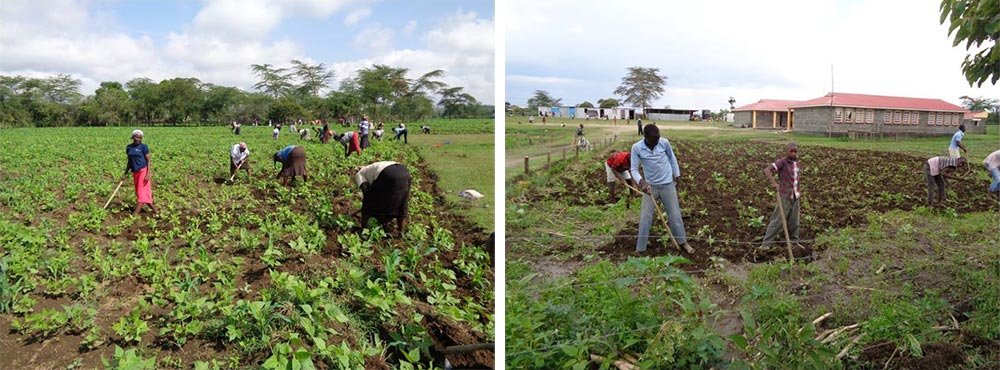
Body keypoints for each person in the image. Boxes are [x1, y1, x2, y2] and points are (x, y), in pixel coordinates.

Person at [630, 124, 692, 253]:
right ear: (645, 137)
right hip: (650, 187)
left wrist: (677, 175)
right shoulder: (637, 148)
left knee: (675, 215)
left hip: (667, 185)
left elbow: (672, 159)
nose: (657, 141)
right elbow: (634, 169)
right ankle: (640, 248)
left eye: (658, 138)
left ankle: (683, 242)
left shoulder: (664, 143)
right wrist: (642, 182)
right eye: (654, 139)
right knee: (645, 217)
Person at [761, 143, 802, 250]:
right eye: (791, 151)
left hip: (795, 195)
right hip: (785, 195)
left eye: (795, 152)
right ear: (787, 152)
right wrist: (774, 183)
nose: (793, 153)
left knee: (794, 220)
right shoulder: (782, 162)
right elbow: (767, 170)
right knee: (778, 220)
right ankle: (765, 244)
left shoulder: (797, 163)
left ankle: (794, 242)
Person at [355, 161, 412, 234]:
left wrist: (367, 206)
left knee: (368, 202)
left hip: (388, 173)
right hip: (404, 172)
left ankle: (363, 227)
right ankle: (401, 231)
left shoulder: (359, 174)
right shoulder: (373, 167)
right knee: (401, 201)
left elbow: (366, 191)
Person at [124, 130, 157, 215]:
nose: (138, 139)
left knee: (141, 192)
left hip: (143, 170)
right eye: (136, 137)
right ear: (133, 137)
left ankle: (135, 214)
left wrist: (148, 173)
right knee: (141, 192)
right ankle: (155, 210)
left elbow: (148, 160)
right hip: (135, 172)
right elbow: (130, 161)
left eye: (140, 137)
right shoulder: (129, 147)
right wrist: (125, 173)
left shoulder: (143, 147)